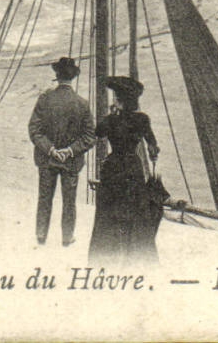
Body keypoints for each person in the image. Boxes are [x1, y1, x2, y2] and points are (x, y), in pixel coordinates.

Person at [87, 76, 164, 264]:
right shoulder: (142, 119)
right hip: (132, 167)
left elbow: (97, 133)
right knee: (135, 211)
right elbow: (153, 146)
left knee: (109, 212)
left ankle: (107, 252)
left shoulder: (111, 120)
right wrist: (153, 154)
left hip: (113, 167)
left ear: (119, 100)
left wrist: (113, 114)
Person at [28, 56, 95, 247]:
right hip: (71, 161)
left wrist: (50, 149)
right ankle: (67, 237)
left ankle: (41, 235)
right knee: (69, 200)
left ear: (56, 76)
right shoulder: (82, 104)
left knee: (44, 197)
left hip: (46, 159)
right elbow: (89, 136)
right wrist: (69, 151)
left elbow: (34, 130)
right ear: (72, 78)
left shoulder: (44, 99)